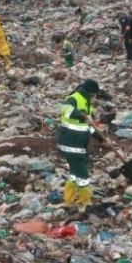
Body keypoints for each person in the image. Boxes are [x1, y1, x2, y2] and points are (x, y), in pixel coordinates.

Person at [57, 79, 108, 207]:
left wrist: (102, 139)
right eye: (94, 95)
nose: (95, 97)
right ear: (90, 93)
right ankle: (85, 202)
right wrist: (81, 115)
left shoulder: (87, 104)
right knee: (83, 175)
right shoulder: (74, 98)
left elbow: (89, 128)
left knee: (74, 174)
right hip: (71, 144)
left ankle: (68, 200)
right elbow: (65, 110)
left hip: (78, 144)